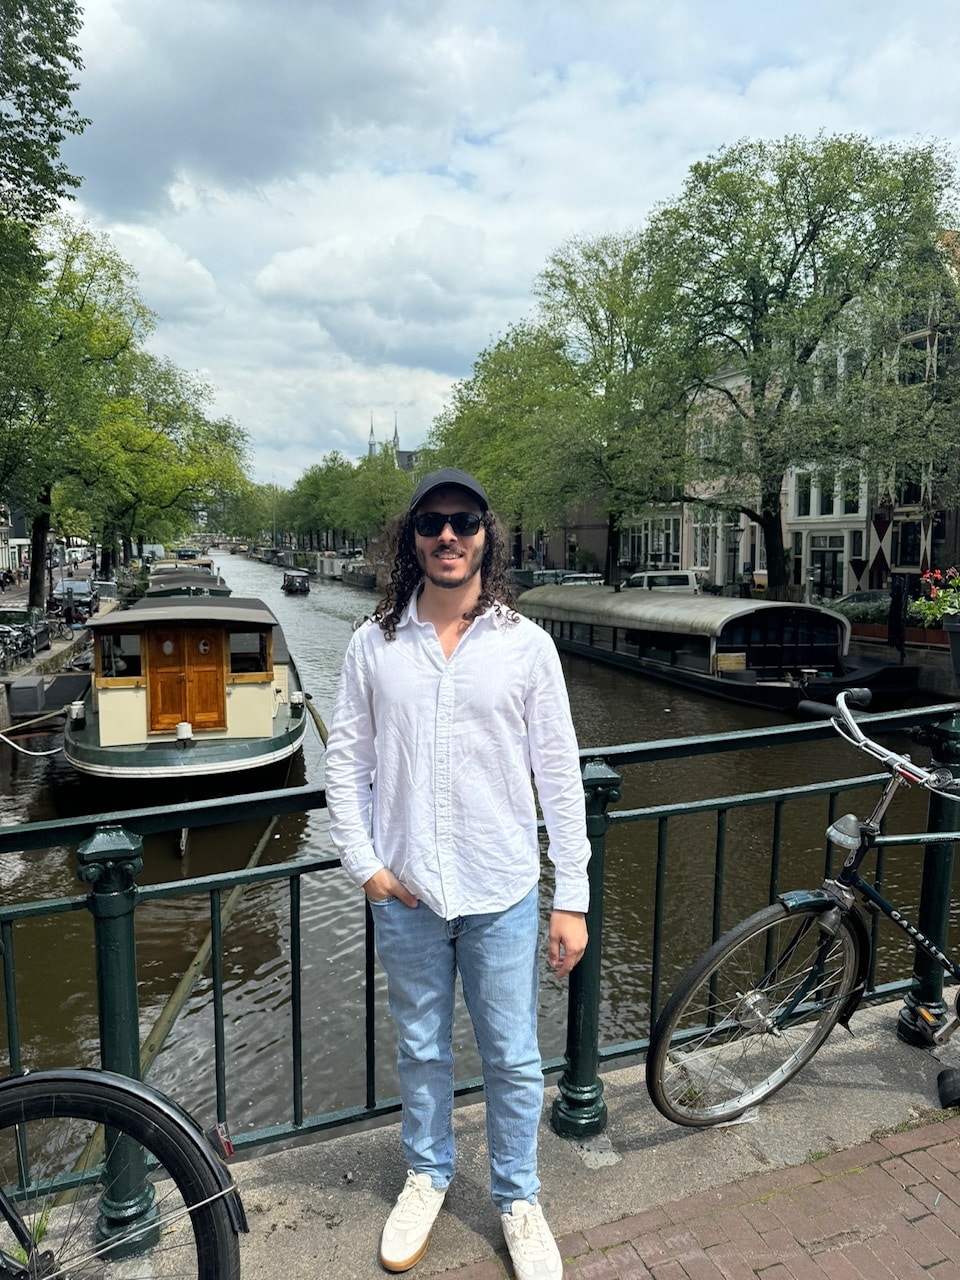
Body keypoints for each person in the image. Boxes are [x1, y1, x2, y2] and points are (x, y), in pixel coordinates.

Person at [324, 468, 590, 1279]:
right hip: (407, 893)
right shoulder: (375, 645)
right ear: (411, 539)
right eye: (433, 522)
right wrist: (365, 864)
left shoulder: (526, 645)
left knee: (512, 1055)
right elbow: (346, 761)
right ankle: (428, 1174)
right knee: (421, 1048)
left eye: (464, 522)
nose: (449, 535)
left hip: (503, 890)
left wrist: (570, 896)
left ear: (485, 536)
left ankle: (517, 1196)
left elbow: (559, 774)